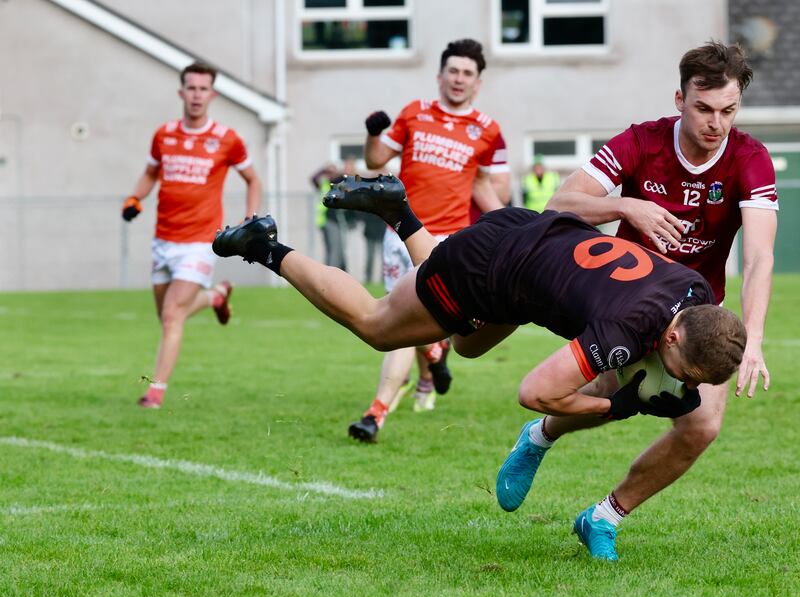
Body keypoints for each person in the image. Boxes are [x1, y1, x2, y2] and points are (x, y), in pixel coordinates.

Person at [211, 177, 746, 519]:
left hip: (530, 245)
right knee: (376, 324)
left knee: (466, 347)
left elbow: (638, 326)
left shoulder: (694, 294)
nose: (688, 385)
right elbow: (535, 392)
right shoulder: (629, 329)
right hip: (491, 268)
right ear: (672, 335)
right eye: (689, 373)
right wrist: (623, 405)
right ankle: (266, 245)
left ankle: (401, 213)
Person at [500, 41, 776, 560]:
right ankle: (538, 437)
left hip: (695, 314)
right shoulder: (640, 142)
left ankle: (603, 517)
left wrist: (754, 338)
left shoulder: (750, 158)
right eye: (703, 108)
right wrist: (628, 205)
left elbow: (761, 255)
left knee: (701, 426)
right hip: (626, 301)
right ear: (679, 98)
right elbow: (562, 203)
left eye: (728, 110)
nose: (716, 123)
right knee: (608, 397)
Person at [351, 38, 510, 442]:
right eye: (453, 71)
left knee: (411, 319)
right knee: (398, 318)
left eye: (467, 73)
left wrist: (511, 224)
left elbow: (491, 191)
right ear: (440, 75)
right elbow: (374, 161)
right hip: (399, 233)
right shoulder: (414, 113)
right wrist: (373, 133)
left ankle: (385, 403)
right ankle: (419, 370)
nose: (459, 79)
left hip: (450, 242)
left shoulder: (488, 131)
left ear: (478, 82)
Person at [122, 61, 262, 409]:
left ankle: (154, 394)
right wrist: (134, 197)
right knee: (168, 316)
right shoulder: (164, 134)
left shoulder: (227, 139)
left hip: (200, 242)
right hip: (162, 239)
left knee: (172, 315)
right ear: (181, 92)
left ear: (212, 94)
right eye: (191, 88)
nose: (197, 95)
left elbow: (253, 180)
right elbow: (150, 173)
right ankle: (215, 297)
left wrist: (249, 221)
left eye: (203, 89)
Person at [310, 158, 357, 271]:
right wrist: (325, 170)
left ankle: (341, 274)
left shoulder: (353, 181)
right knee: (334, 250)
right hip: (330, 220)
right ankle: (330, 275)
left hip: (341, 222)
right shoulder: (334, 180)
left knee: (339, 250)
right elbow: (314, 179)